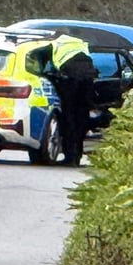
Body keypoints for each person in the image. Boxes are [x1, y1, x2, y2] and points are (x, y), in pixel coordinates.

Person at [43, 34, 99, 166]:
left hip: (71, 79)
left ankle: (70, 157)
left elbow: (44, 64)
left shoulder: (54, 45)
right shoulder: (79, 43)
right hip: (87, 79)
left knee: (69, 118)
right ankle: (76, 156)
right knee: (81, 119)